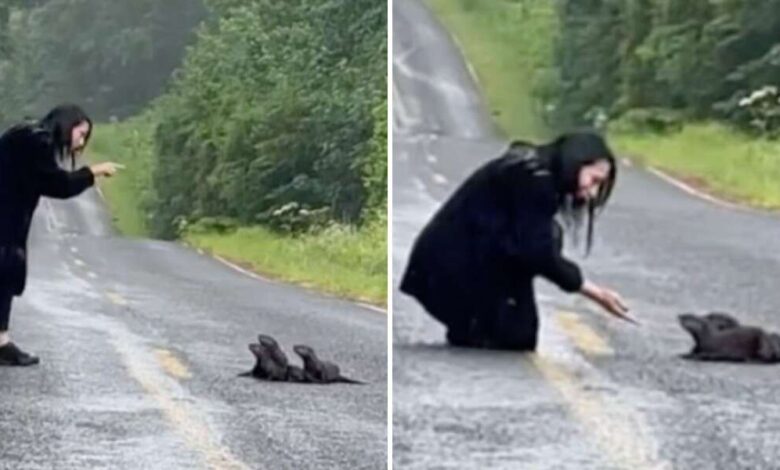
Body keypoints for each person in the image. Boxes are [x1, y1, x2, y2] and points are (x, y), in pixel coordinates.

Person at [400, 131, 632, 351]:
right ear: (577, 162)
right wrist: (595, 293)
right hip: (448, 269)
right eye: (594, 180)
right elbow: (537, 252)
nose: (592, 192)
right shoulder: (534, 179)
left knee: (518, 332)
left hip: (453, 263)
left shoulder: (530, 168)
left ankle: (472, 326)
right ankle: (473, 326)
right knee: (512, 337)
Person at [0, 104, 123, 365]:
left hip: (10, 217)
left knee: (6, 273)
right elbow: (59, 185)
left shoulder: (26, 135)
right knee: (6, 269)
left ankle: (2, 341)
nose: (80, 143)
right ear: (69, 125)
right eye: (81, 134)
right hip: (5, 218)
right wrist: (94, 171)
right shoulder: (36, 141)